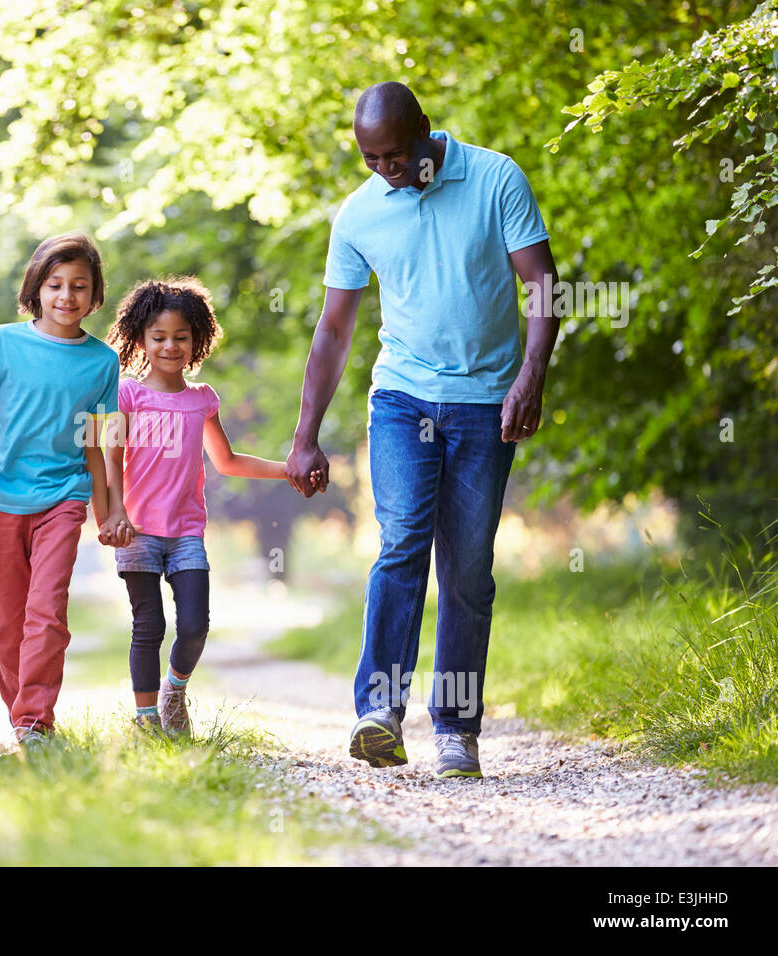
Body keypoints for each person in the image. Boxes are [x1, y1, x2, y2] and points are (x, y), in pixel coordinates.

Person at [287, 81, 560, 780]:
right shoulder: (360, 213)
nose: (387, 171)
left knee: (467, 569)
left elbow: (543, 285)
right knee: (403, 538)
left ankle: (457, 731)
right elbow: (336, 327)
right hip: (404, 399)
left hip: (484, 403)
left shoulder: (495, 177)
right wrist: (305, 433)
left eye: (397, 156)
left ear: (426, 133)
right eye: (371, 159)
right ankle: (380, 711)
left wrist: (531, 375)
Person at [0, 233, 128, 746]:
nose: (66, 297)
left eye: (79, 287)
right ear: (37, 289)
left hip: (65, 497)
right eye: (56, 285)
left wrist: (109, 509)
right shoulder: (3, 342)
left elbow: (103, 441)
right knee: (4, 626)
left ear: (94, 296)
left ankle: (34, 721)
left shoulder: (102, 361)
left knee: (46, 611)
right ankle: (20, 712)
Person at [104, 277, 293, 736]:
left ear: (197, 340)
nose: (170, 346)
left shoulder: (201, 400)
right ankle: (146, 722)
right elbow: (109, 456)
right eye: (159, 337)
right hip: (138, 531)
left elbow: (226, 461)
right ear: (141, 339)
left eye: (181, 337)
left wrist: (286, 469)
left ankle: (174, 691)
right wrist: (114, 512)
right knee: (148, 626)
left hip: (186, 531)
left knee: (194, 625)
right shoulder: (127, 395)